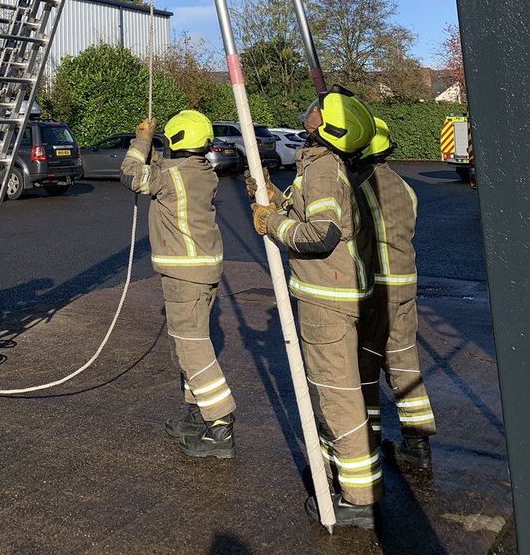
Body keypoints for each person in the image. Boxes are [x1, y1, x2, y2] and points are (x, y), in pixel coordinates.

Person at [250, 87, 380, 530]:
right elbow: (310, 214)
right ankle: (341, 477)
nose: (309, 112)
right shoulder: (320, 166)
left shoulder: (323, 170)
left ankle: (358, 500)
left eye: (317, 111)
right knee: (333, 393)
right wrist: (272, 196)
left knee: (337, 396)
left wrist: (272, 223)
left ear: (330, 129)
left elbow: (321, 234)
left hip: (327, 301)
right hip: (330, 296)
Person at [121, 110, 236, 458]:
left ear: (176, 139)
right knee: (188, 344)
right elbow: (164, 172)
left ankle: (220, 424)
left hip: (185, 274)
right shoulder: (201, 171)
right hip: (201, 270)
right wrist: (156, 155)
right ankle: (198, 413)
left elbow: (130, 175)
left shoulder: (172, 176)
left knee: (192, 348)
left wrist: (142, 140)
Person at [348, 117, 436, 474]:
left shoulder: (359, 186)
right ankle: (418, 446)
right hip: (406, 286)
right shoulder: (403, 187)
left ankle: (367, 442)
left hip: (377, 291)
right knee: (404, 364)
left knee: (365, 368)